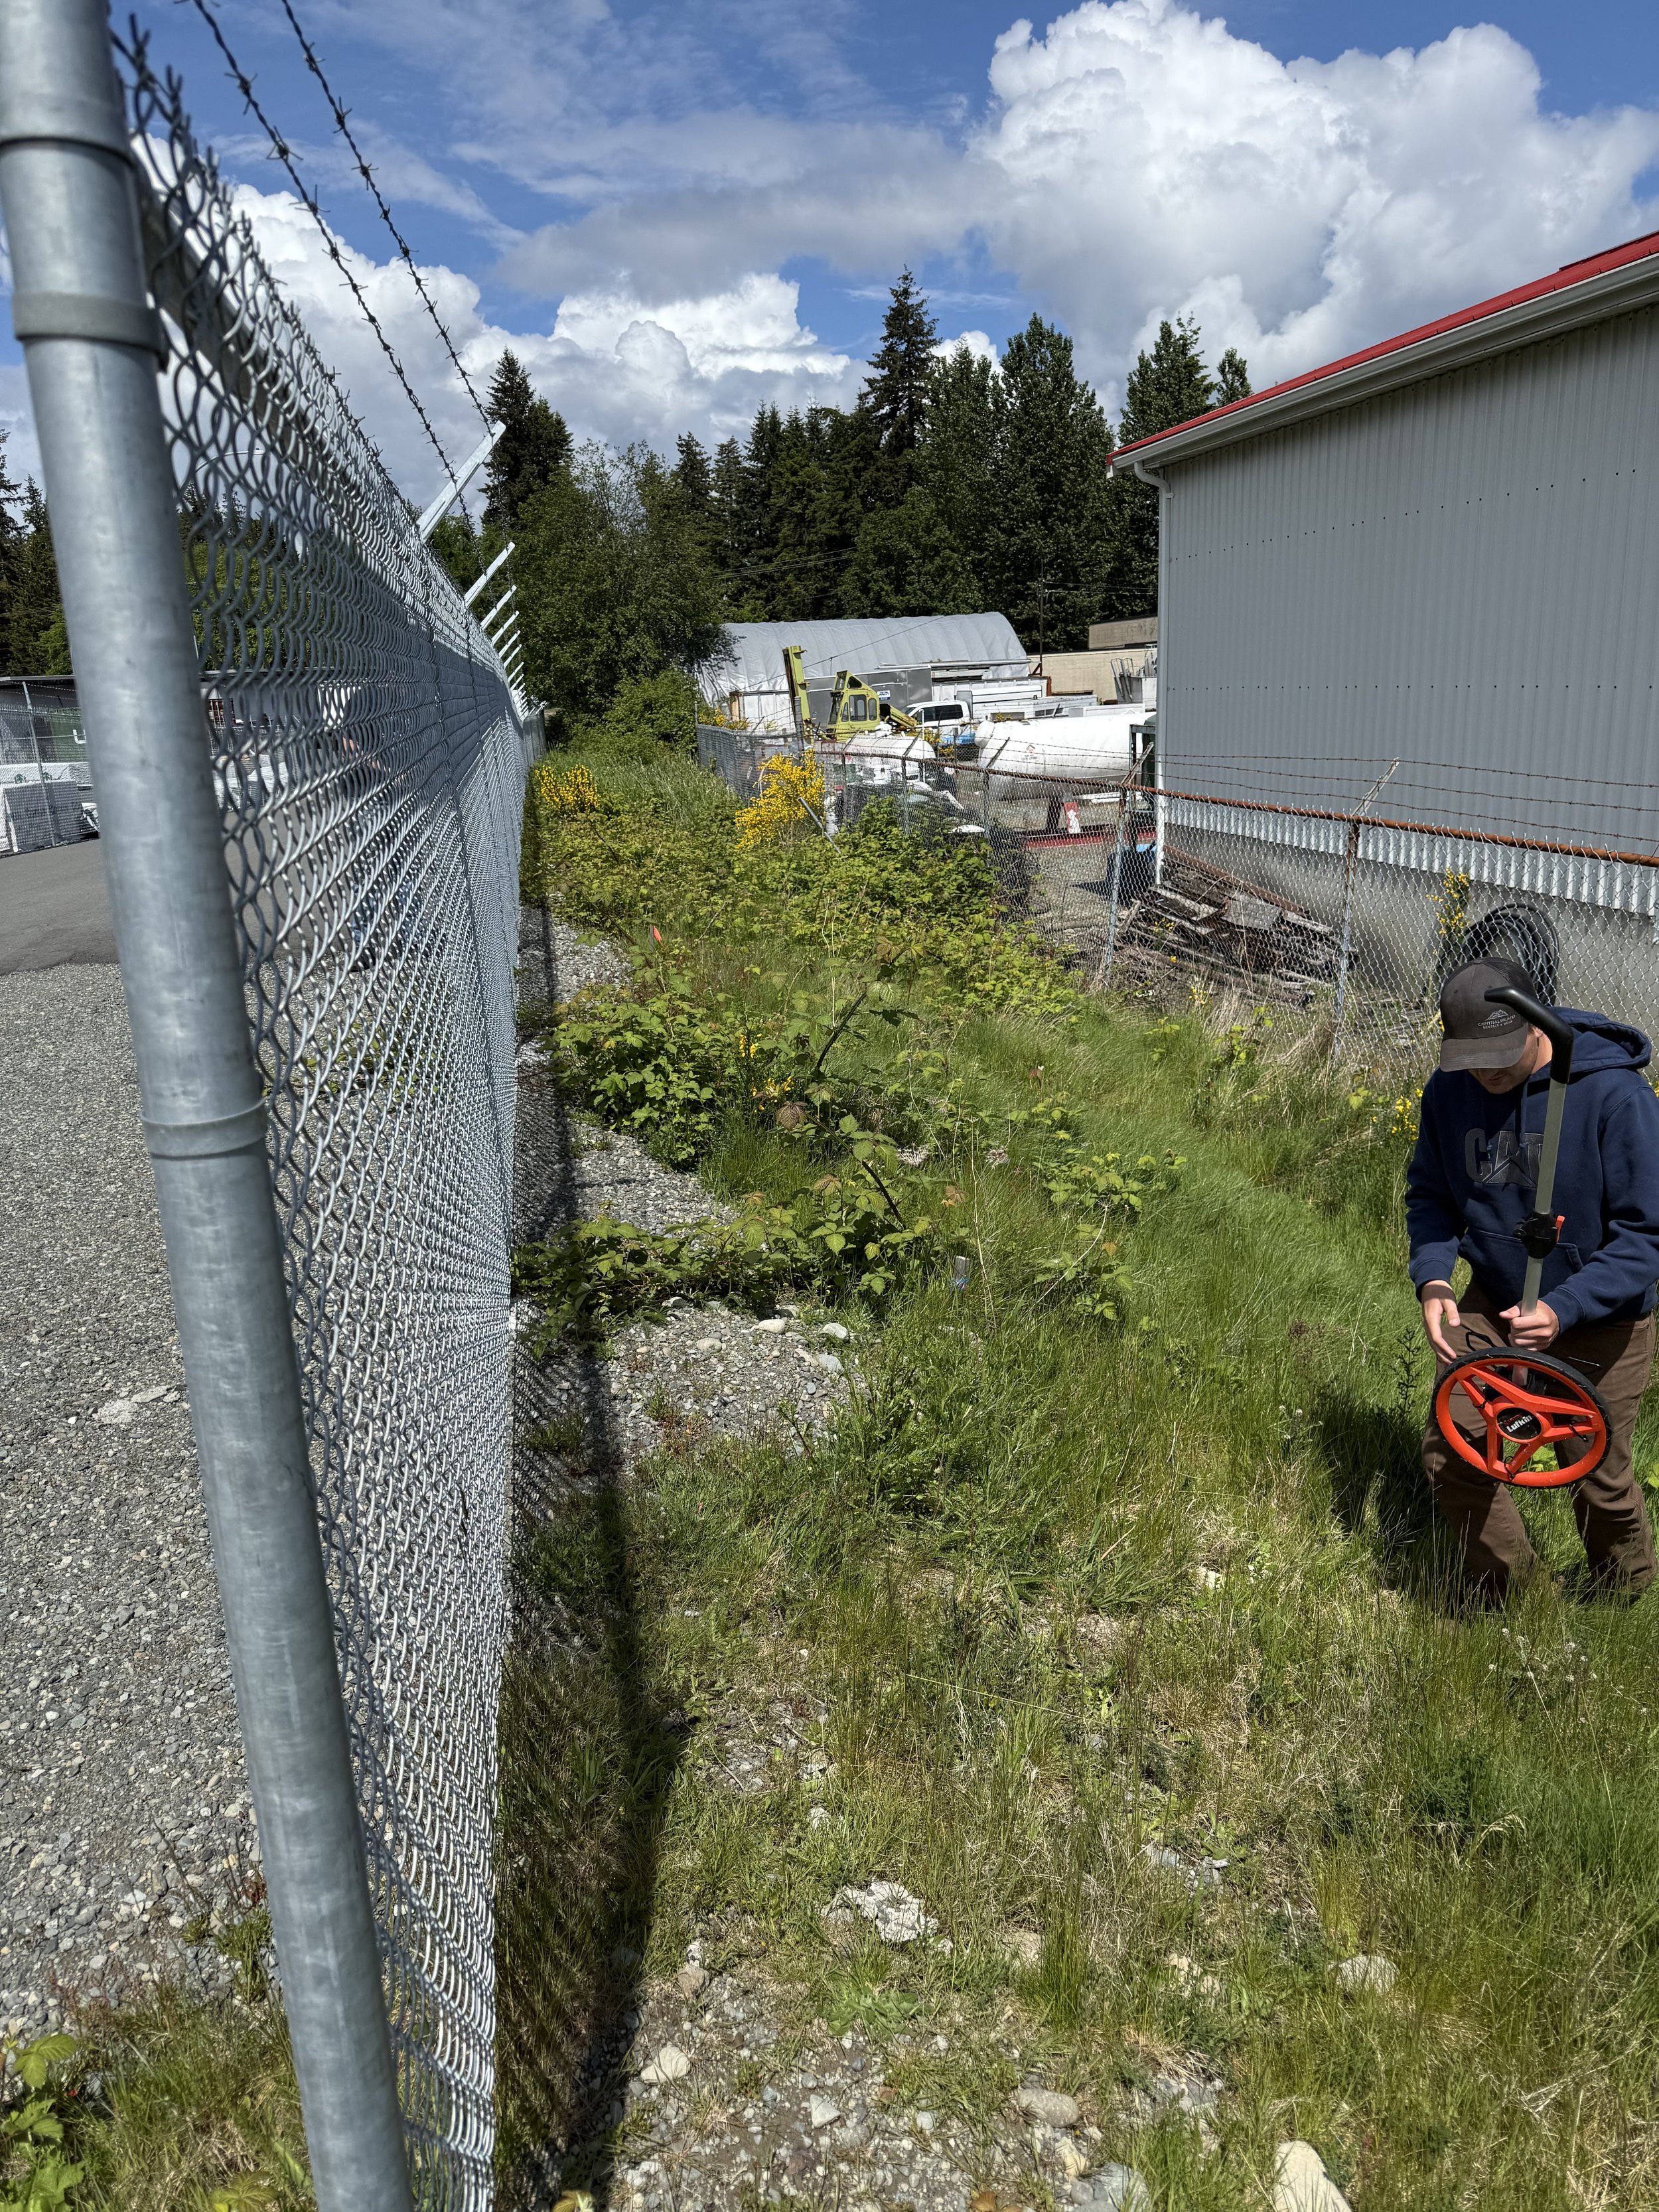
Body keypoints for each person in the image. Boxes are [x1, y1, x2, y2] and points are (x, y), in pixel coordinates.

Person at [1406, 955, 1659, 1599]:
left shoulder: (1614, 1097)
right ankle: (1517, 1595)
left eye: (1500, 1052)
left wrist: (1566, 1306)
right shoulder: (1450, 1090)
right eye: (1471, 1057)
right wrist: (1434, 1277)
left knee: (1593, 1472)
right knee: (1453, 1450)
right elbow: (1430, 1194)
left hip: (1603, 1318)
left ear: (1537, 1023)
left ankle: (1622, 1593)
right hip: (1493, 1298)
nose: (1485, 1071)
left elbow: (1646, 1236)